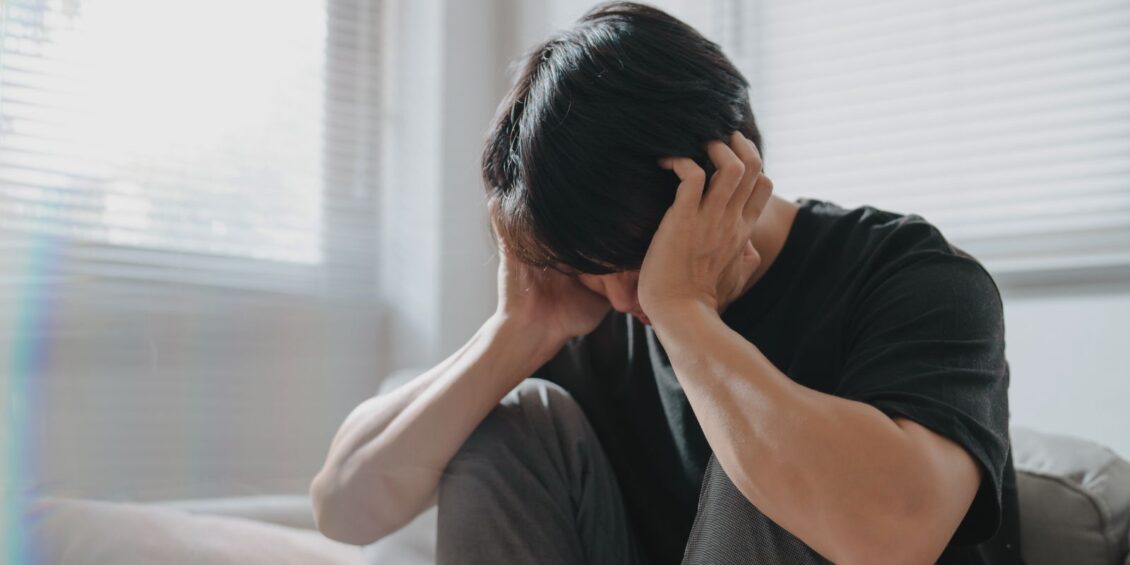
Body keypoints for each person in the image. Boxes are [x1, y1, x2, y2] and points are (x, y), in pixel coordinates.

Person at [310, 2, 1022, 563]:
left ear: (729, 174)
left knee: (772, 454)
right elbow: (342, 508)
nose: (625, 300)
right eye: (594, 270)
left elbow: (894, 535)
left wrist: (684, 313)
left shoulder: (913, 276)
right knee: (511, 419)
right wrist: (515, 332)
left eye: (639, 261)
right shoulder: (587, 304)